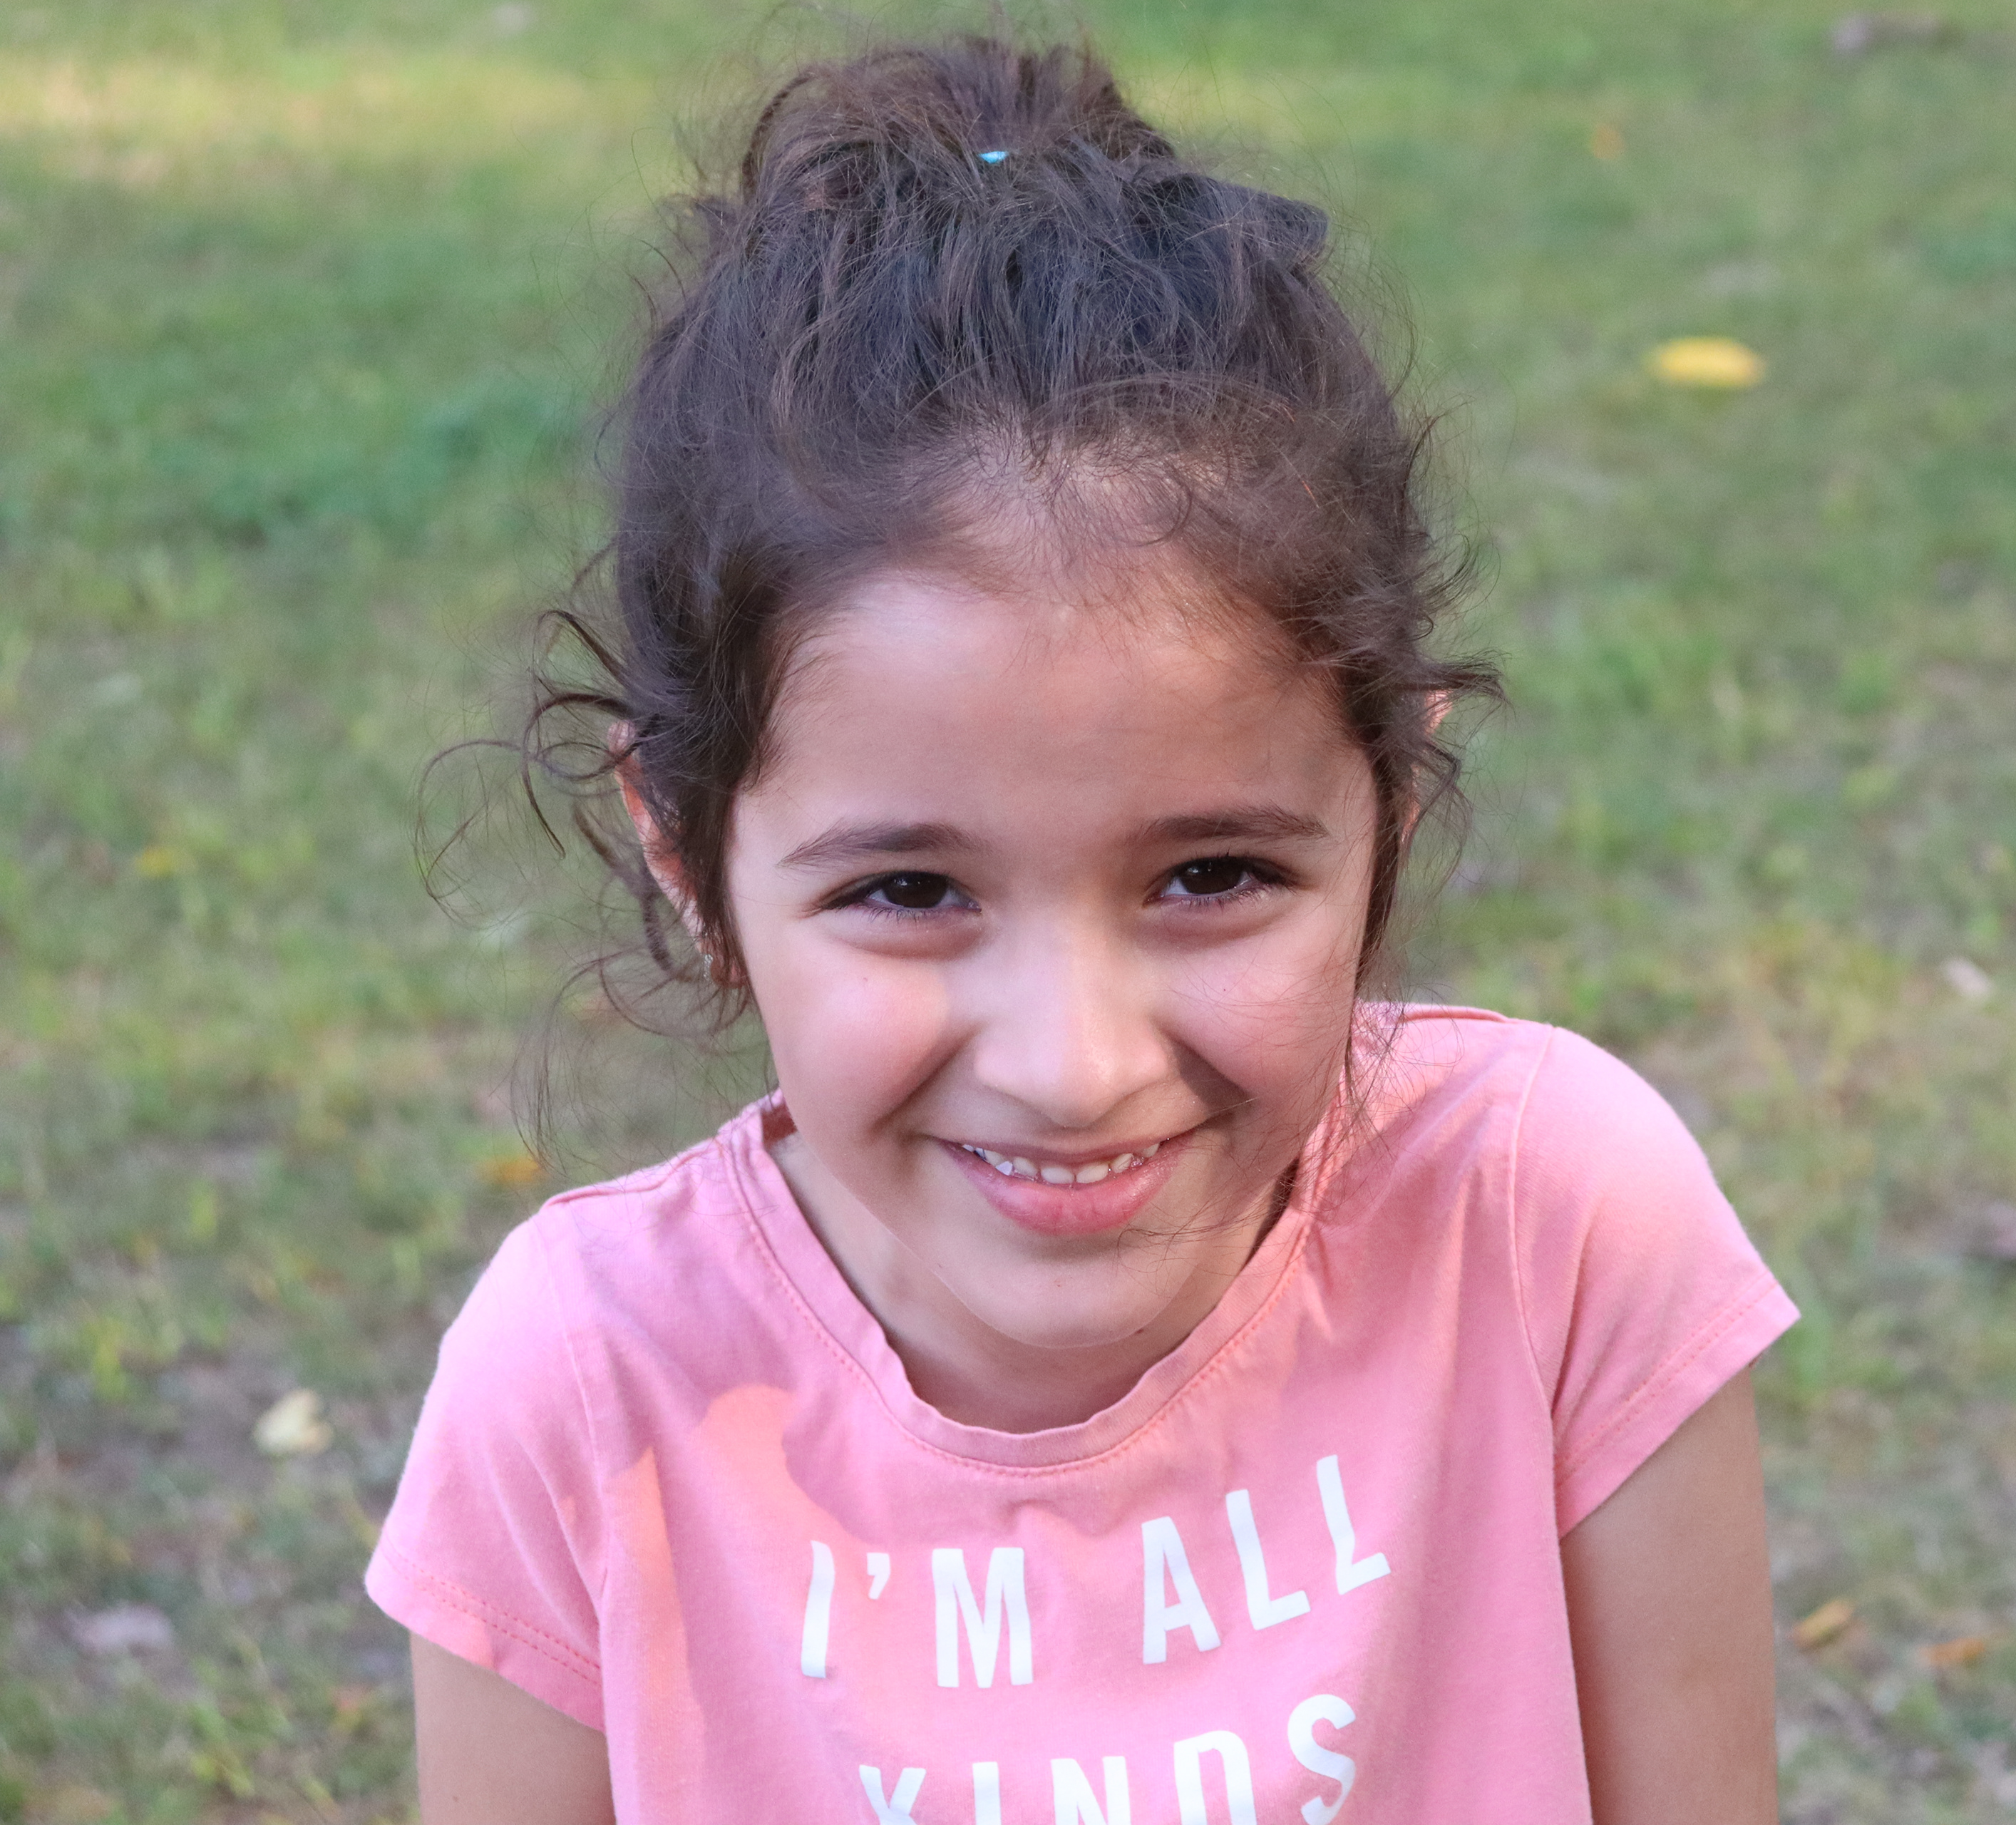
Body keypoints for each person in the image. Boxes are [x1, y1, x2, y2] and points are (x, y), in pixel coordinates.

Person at [371, 33, 1796, 1825]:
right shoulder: (584, 1385)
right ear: (686, 846)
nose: (1073, 1063)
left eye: (1212, 876)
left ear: (1395, 804)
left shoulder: (1550, 1224)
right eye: (908, 890)